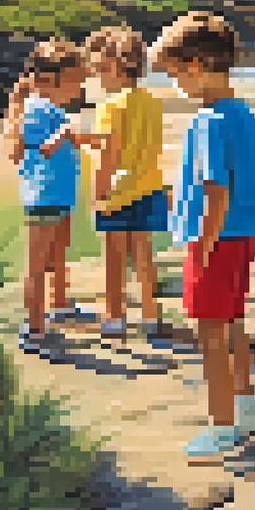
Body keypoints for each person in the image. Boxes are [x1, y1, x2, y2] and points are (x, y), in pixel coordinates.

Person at [154, 12, 255, 460]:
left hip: (214, 240)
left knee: (209, 334)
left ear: (196, 65)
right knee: (234, 322)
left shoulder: (208, 120)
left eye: (174, 73)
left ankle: (222, 427)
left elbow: (214, 189)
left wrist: (201, 247)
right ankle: (245, 406)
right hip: (240, 238)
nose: (174, 84)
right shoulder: (244, 114)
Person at [4, 39, 95, 352]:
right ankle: (34, 330)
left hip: (58, 194)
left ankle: (58, 305)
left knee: (57, 254)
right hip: (44, 194)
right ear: (49, 79)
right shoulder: (36, 108)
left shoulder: (50, 107)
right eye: (76, 80)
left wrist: (89, 139)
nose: (80, 87)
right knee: (38, 263)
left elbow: (60, 143)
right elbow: (45, 146)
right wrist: (68, 132)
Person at [83, 26, 170, 341]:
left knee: (114, 259)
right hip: (149, 187)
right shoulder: (152, 102)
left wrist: (97, 195)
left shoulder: (109, 106)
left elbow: (109, 154)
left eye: (102, 69)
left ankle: (115, 318)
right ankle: (150, 317)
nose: (99, 78)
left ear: (119, 67)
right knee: (144, 256)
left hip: (117, 192)